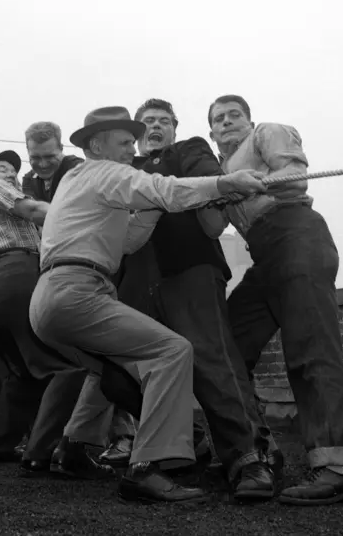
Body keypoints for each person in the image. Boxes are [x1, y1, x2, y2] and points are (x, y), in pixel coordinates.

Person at [29, 106, 267, 503]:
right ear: (96, 145)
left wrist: (154, 208)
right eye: (124, 142)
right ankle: (148, 468)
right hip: (79, 290)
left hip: (48, 303)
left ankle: (72, 449)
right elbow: (165, 189)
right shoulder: (106, 172)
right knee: (173, 351)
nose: (131, 149)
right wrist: (227, 182)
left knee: (109, 368)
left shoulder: (75, 180)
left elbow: (127, 243)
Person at [108, 98, 277, 499]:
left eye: (163, 121)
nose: (154, 126)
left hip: (191, 269)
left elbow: (208, 182)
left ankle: (247, 458)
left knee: (211, 359)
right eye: (146, 121)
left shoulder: (189, 150)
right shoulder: (120, 170)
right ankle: (190, 439)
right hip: (134, 278)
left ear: (174, 128)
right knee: (118, 373)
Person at [207, 94, 343, 505]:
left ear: (249, 119)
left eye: (234, 115)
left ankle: (335, 467)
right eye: (218, 119)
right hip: (264, 254)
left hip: (296, 234)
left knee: (310, 349)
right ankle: (258, 449)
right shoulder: (220, 170)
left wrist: (255, 183)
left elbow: (294, 178)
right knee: (228, 347)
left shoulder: (266, 134)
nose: (227, 122)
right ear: (210, 132)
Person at [23, 120, 138, 467]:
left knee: (111, 357)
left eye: (49, 155)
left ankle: (120, 436)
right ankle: (72, 443)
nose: (42, 163)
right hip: (59, 277)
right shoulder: (31, 182)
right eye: (35, 157)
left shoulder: (76, 171)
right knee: (98, 362)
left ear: (63, 150)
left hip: (96, 269)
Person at [0, 149, 87, 471]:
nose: (11, 175)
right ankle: (43, 450)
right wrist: (85, 210)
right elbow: (33, 209)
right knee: (66, 365)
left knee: (23, 374)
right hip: (15, 275)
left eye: (14, 173)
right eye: (2, 168)